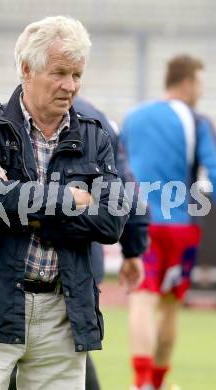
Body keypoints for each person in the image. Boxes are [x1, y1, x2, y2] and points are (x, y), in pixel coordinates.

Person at [0, 16, 131, 390]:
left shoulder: (96, 137)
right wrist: (71, 199)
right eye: (60, 72)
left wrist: (23, 207)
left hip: (64, 312)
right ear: (27, 69)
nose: (70, 86)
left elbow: (111, 223)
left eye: (77, 74)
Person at [8, 97, 148, 390]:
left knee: (15, 355)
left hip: (18, 258)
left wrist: (36, 218)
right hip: (80, 254)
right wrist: (133, 249)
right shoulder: (97, 118)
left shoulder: (12, 117)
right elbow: (128, 189)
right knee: (69, 353)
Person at [120, 54, 216, 390]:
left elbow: (119, 166)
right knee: (171, 308)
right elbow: (213, 171)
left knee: (141, 301)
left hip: (139, 223)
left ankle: (140, 381)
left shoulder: (133, 117)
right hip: (180, 226)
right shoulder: (196, 120)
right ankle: (157, 383)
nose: (201, 92)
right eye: (201, 84)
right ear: (188, 81)